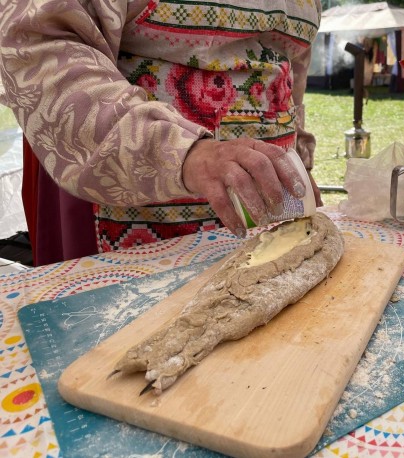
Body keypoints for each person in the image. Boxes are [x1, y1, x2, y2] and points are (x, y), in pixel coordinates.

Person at [0, 0, 323, 266]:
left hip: (268, 204)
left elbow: (291, 72)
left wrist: (297, 159)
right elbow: (38, 43)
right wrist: (185, 154)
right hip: (131, 201)